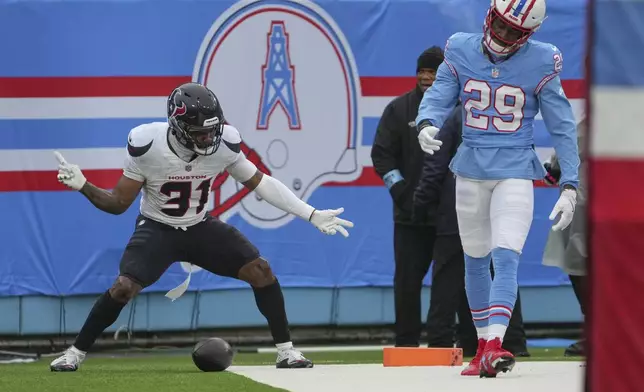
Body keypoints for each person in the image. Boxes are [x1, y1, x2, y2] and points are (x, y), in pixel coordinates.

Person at [49, 82, 354, 372]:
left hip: (199, 226)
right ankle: (74, 354)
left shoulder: (225, 144)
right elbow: (117, 204)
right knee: (123, 288)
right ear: (178, 127)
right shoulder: (148, 144)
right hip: (158, 228)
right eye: (200, 133)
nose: (209, 139)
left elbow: (261, 183)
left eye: (213, 131)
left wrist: (310, 214)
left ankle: (287, 351)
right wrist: (84, 186)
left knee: (260, 271)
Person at [415, 0, 580, 378]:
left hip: (515, 168)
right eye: (501, 26)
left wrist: (570, 183)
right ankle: (481, 347)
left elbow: (562, 125)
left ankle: (493, 346)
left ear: (529, 35)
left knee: (506, 255)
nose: (503, 35)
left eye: (514, 31)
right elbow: (440, 91)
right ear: (491, 17)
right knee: (474, 260)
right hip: (471, 168)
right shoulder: (459, 47)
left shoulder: (542, 60)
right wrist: (426, 121)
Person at [413, 103, 529, 358]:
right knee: (502, 270)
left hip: (458, 210)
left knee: (450, 282)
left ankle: (443, 345)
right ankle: (511, 341)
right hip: (500, 203)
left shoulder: (457, 113)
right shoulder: (509, 107)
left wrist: (421, 203)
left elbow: (436, 165)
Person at [370, 46, 444, 347]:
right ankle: (407, 344)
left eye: (432, 72)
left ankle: (452, 343)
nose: (426, 77)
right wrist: (401, 192)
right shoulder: (398, 110)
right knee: (407, 284)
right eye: (422, 72)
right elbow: (382, 155)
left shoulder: (458, 108)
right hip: (409, 216)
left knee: (452, 285)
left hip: (450, 218)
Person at [542, 118, 587, 357]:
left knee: (580, 267)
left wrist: (554, 169)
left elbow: (570, 145)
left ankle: (596, 330)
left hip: (586, 203)